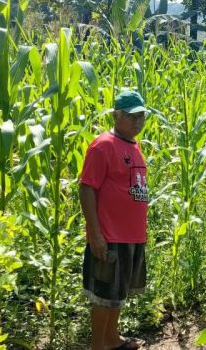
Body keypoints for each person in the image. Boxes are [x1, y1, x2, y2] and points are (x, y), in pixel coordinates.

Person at [79, 90, 149, 350]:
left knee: (117, 294)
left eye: (141, 116)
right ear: (116, 115)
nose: (138, 122)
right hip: (110, 236)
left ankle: (112, 339)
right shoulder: (103, 145)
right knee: (103, 295)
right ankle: (98, 345)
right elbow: (87, 188)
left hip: (131, 236)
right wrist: (96, 234)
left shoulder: (133, 145)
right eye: (132, 117)